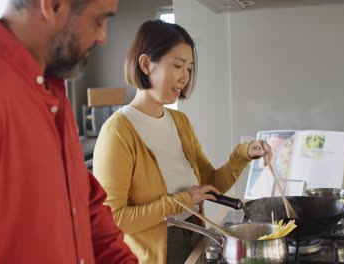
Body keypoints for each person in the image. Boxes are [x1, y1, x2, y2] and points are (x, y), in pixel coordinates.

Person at [0, 0, 138, 263]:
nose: (102, 37)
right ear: (54, 5)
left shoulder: (51, 90)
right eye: (98, 20)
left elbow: (86, 211)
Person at [92, 19, 272, 264]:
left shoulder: (180, 122)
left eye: (189, 68)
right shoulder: (118, 132)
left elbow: (210, 185)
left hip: (195, 237)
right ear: (146, 64)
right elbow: (114, 219)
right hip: (158, 255)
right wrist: (184, 200)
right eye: (178, 66)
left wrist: (244, 154)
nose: (185, 77)